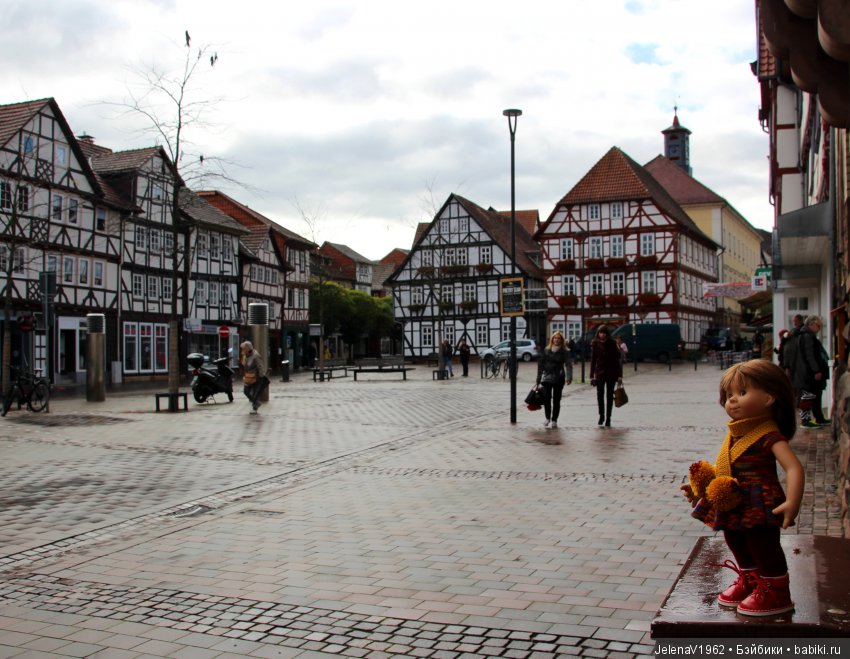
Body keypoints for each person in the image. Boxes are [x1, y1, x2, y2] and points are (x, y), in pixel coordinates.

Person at [680, 360, 804, 616]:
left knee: (763, 544)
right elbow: (727, 465)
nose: (732, 401)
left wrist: (793, 501)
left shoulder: (769, 435)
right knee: (734, 538)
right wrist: (700, 489)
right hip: (734, 500)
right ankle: (751, 579)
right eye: (728, 395)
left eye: (742, 393)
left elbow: (793, 468)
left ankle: (777, 589)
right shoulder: (736, 433)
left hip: (759, 501)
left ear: (769, 397)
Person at [790, 315, 830, 428]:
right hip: (808, 373)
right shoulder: (806, 336)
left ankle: (819, 418)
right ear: (812, 324)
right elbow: (809, 355)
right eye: (818, 326)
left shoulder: (805, 335)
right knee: (808, 396)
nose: (819, 329)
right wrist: (816, 370)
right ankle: (806, 420)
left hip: (807, 372)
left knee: (815, 395)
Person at [535, 331, 573, 429]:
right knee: (547, 398)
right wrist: (538, 378)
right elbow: (541, 364)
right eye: (555, 338)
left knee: (557, 400)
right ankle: (547, 417)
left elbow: (568, 364)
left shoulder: (565, 351)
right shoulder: (546, 350)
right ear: (552, 339)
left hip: (558, 378)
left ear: (561, 340)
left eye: (558, 338)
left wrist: (569, 377)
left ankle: (554, 420)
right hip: (547, 377)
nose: (556, 340)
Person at [590, 325, 623, 427]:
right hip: (600, 372)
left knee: (609, 396)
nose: (602, 334)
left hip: (611, 373)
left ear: (607, 334)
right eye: (600, 332)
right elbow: (593, 360)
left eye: (604, 333)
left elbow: (617, 361)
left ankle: (608, 418)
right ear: (598, 334)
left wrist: (619, 375)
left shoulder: (612, 343)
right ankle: (601, 415)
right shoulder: (595, 344)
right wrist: (591, 375)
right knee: (600, 395)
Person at [240, 340, 268, 414]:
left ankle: (254, 407)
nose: (242, 350)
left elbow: (260, 366)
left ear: (248, 348)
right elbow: (244, 366)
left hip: (256, 377)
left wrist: (261, 376)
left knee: (255, 394)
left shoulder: (255, 355)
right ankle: (256, 403)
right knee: (246, 391)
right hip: (249, 377)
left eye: (243, 349)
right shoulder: (246, 355)